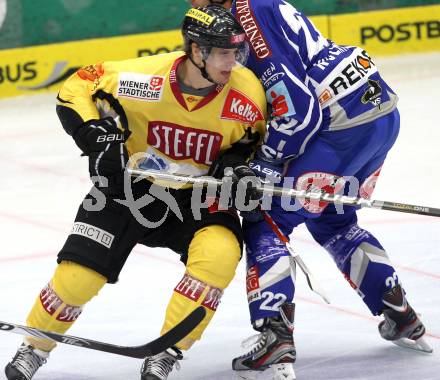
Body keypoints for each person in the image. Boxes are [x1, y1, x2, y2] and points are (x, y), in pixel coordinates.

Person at [4, 5, 268, 380]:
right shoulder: (142, 79)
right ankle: (34, 346)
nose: (233, 63)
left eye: (237, 53)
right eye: (224, 53)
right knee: (79, 276)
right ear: (196, 50)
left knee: (220, 255)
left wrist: (238, 167)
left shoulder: (248, 95)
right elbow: (78, 85)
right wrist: (96, 136)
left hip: (196, 197)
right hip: (131, 189)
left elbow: (249, 144)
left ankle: (167, 352)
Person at [189, 1, 430, 379]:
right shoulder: (252, 5)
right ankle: (398, 312)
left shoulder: (247, 13)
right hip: (377, 112)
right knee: (333, 219)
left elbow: (299, 111)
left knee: (264, 218)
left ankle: (276, 335)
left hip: (340, 124)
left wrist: (265, 165)